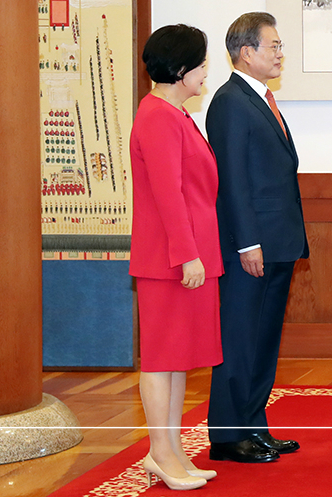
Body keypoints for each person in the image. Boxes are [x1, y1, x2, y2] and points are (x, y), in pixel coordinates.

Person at [206, 12, 309, 463]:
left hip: (277, 242)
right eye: (274, 46)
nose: (281, 53)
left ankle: (254, 427)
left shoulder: (260, 99)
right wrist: (248, 243)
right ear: (246, 52)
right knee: (240, 339)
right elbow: (233, 181)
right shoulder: (230, 102)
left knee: (264, 341)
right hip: (251, 247)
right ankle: (229, 437)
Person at [129, 24, 222, 490]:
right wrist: (187, 255)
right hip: (171, 259)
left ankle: (174, 452)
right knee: (161, 359)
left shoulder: (176, 114)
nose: (206, 71)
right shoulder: (157, 117)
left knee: (179, 358)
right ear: (182, 69)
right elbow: (168, 196)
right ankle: (160, 453)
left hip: (190, 254)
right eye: (202, 63)